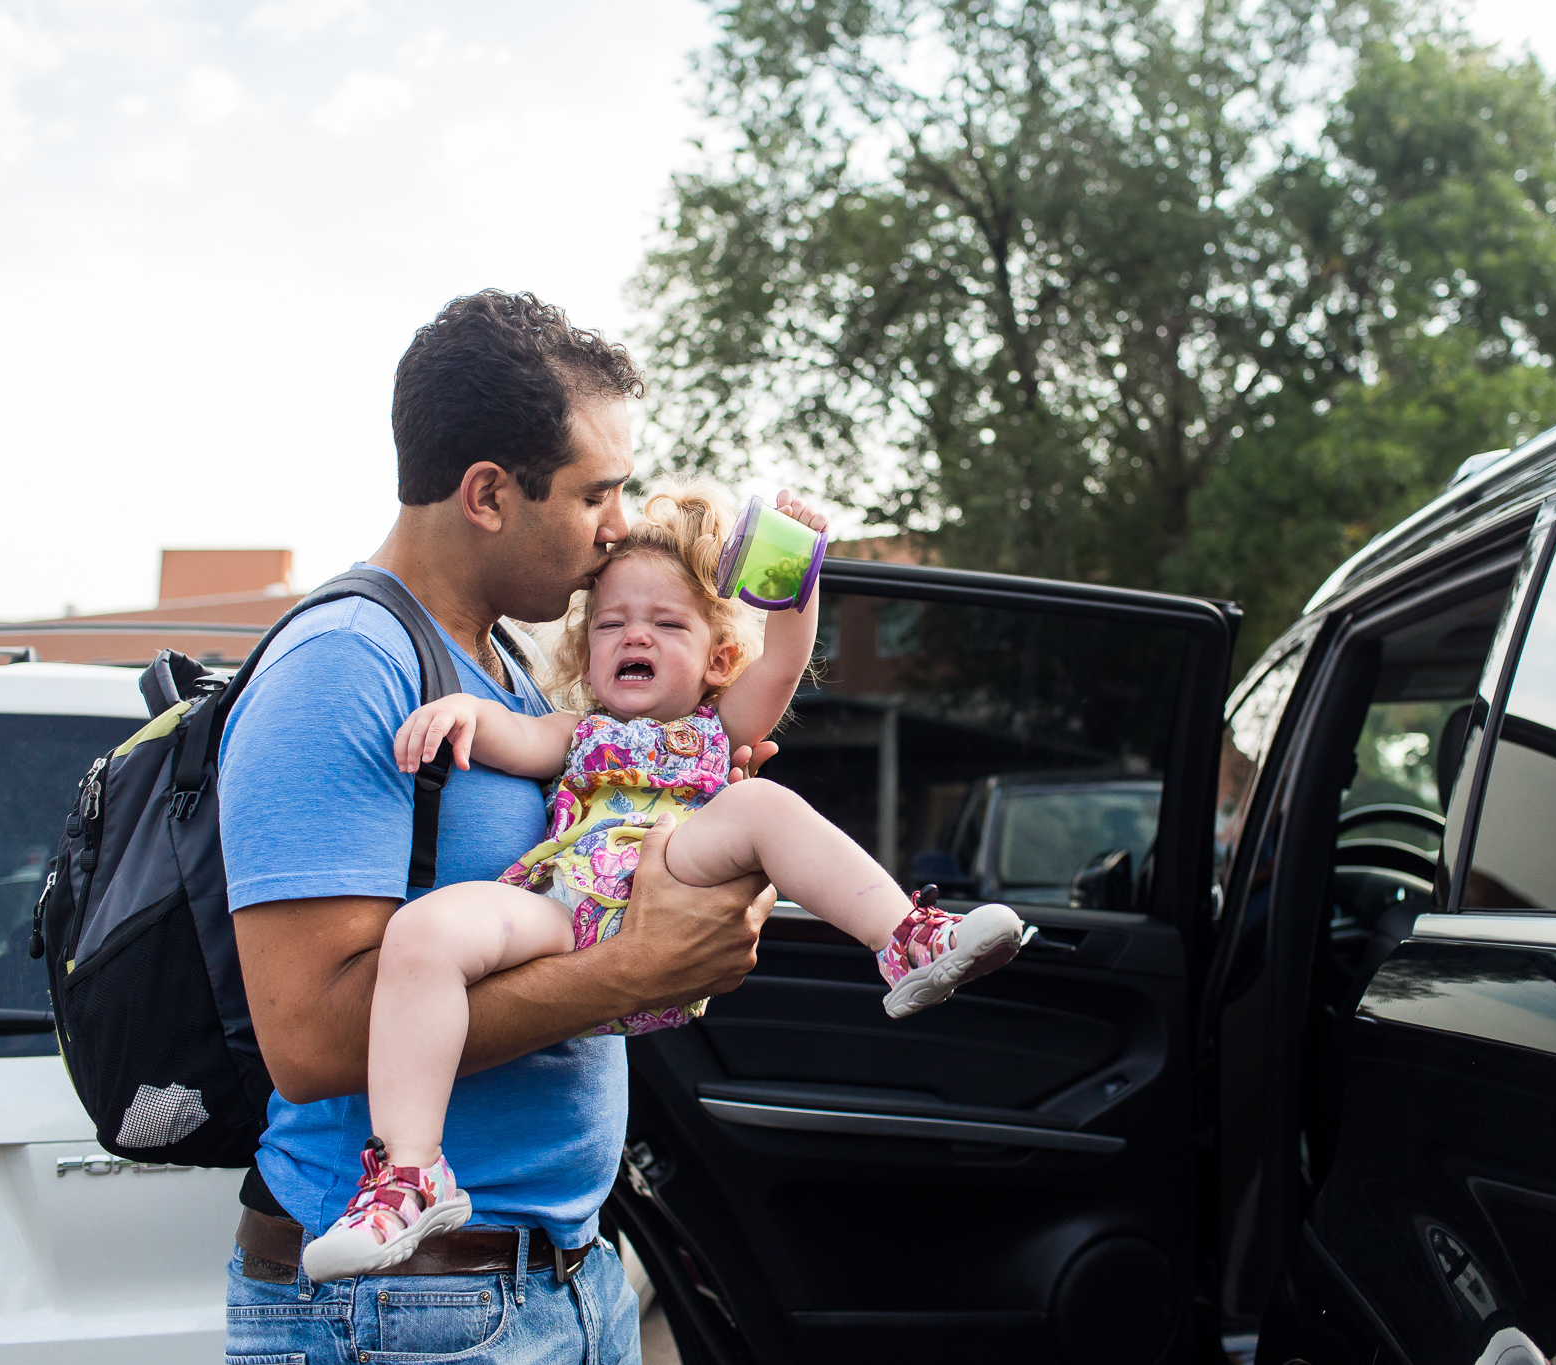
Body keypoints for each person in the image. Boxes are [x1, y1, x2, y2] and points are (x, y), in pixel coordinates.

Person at [219, 291, 778, 1365]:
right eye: (596, 493)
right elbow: (308, 1040)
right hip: (405, 1314)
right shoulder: (346, 668)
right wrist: (633, 971)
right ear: (487, 493)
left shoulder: (505, 669)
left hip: (549, 1279)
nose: (618, 524)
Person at [298, 482, 1027, 1281]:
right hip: (564, 909)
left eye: (665, 622)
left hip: (672, 880)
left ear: (717, 656)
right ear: (587, 647)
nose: (633, 634)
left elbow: (784, 656)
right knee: (423, 930)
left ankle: (906, 938)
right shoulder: (582, 729)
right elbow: (518, 735)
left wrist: (796, 573)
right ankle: (411, 1172)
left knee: (759, 804)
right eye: (611, 623)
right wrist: (466, 714)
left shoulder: (719, 728)